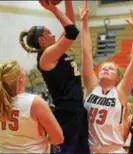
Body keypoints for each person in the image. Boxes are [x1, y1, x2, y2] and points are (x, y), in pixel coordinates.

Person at [19, 0, 90, 153]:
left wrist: (68, 2)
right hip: (66, 114)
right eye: (49, 32)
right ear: (42, 40)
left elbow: (70, 25)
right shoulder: (46, 57)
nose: (54, 34)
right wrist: (54, 9)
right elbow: (72, 31)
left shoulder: (55, 51)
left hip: (78, 111)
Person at [80, 1, 133, 152]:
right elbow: (86, 53)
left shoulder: (120, 92)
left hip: (113, 150)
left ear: (117, 78)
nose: (106, 69)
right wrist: (84, 23)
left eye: (111, 69)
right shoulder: (92, 87)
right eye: (103, 68)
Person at [0, 59, 63, 153]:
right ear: (20, 79)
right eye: (23, 70)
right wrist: (47, 138)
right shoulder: (35, 102)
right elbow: (58, 138)